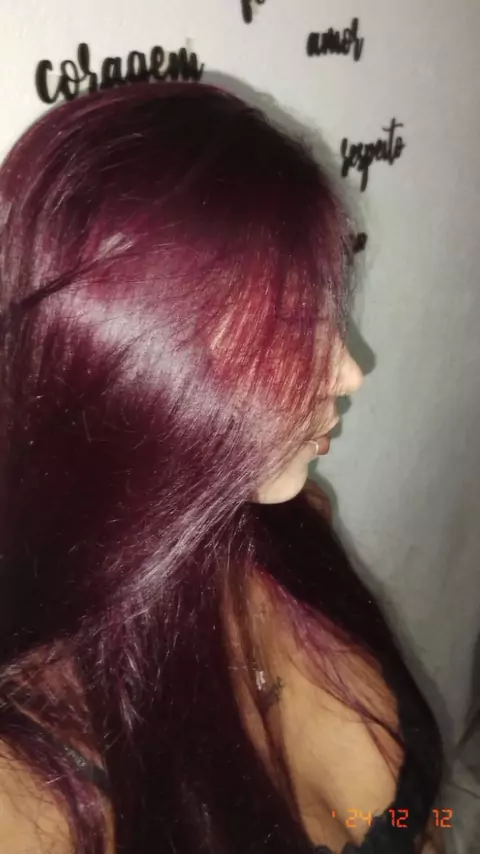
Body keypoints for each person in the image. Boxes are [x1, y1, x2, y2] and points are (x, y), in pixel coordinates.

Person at [0, 80, 446, 854]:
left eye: (324, 313)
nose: (348, 371)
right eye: (286, 330)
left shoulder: (287, 527)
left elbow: (416, 824)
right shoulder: (30, 792)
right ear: (127, 378)